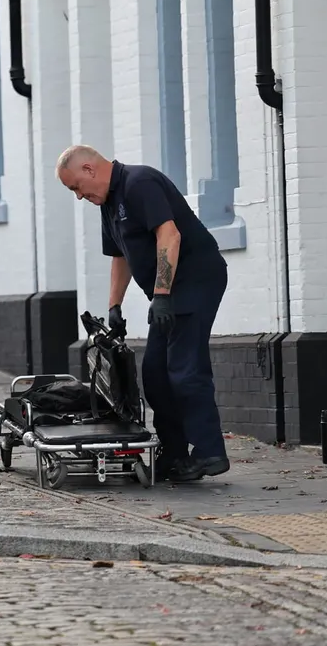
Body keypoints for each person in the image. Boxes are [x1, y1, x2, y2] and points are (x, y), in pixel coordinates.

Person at [56, 144, 230, 483]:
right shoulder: (107, 204)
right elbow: (120, 256)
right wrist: (114, 305)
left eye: (75, 186)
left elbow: (169, 234)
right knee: (154, 372)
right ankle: (175, 452)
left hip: (195, 280)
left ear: (90, 170)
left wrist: (161, 294)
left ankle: (210, 452)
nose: (78, 196)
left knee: (184, 369)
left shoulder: (139, 183)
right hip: (169, 291)